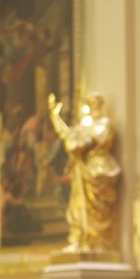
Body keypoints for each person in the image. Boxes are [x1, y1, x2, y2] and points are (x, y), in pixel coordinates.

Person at [47, 92, 120, 253]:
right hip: (82, 171)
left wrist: (77, 145)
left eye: (93, 105)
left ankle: (97, 241)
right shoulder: (85, 127)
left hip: (98, 170)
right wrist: (55, 116)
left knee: (96, 210)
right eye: (89, 105)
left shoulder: (104, 124)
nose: (91, 109)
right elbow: (68, 135)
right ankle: (78, 239)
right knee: (77, 206)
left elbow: (84, 143)